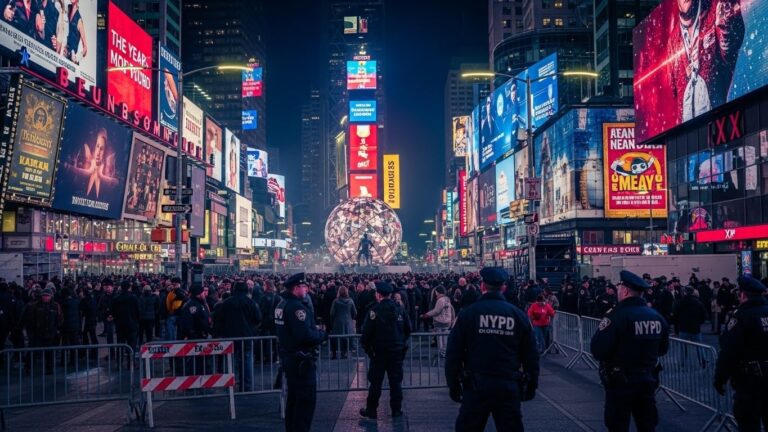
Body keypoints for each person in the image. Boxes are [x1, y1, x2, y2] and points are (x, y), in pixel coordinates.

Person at [445, 267, 540, 432]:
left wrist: (453, 384)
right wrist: (531, 385)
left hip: (476, 385)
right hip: (508, 384)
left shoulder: (469, 314)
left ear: (482, 286)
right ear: (503, 287)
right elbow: (531, 355)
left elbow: (453, 353)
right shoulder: (517, 315)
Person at [590, 270, 670, 432]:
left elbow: (598, 350)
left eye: (620, 287)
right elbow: (663, 348)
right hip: (647, 379)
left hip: (620, 381)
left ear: (625, 291)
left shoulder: (616, 316)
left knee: (618, 424)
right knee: (647, 424)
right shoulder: (656, 317)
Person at [713, 276, 768, 431]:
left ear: (743, 295)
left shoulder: (741, 317)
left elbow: (729, 350)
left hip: (750, 380)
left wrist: (720, 378)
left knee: (749, 423)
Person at [275, 273, 326, 432]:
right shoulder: (296, 308)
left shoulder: (281, 305)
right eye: (303, 286)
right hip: (301, 361)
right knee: (304, 404)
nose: (306, 289)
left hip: (289, 358)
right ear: (296, 288)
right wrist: (322, 335)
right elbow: (304, 335)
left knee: (293, 402)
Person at [359, 281, 411, 419]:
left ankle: (371, 410)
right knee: (396, 382)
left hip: (379, 353)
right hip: (396, 352)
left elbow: (366, 333)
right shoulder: (399, 309)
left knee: (375, 383)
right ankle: (396, 410)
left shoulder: (374, 311)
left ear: (378, 294)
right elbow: (408, 329)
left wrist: (368, 349)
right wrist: (400, 344)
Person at [213, 280, 261, 392]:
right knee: (247, 360)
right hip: (247, 336)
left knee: (230, 361)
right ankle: (247, 386)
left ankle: (229, 386)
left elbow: (220, 320)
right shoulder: (251, 302)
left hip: (230, 336)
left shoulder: (226, 303)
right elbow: (258, 318)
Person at [421, 286, 454, 358]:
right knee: (445, 338)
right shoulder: (447, 299)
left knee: (440, 339)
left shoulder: (440, 300)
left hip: (439, 321)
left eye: (436, 292)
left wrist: (426, 315)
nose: (435, 293)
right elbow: (451, 310)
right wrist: (452, 319)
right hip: (447, 321)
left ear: (438, 292)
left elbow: (436, 311)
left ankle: (441, 353)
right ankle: (445, 352)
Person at [329, 286, 356, 359]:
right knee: (346, 337)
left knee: (336, 337)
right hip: (348, 322)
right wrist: (350, 318)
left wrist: (332, 321)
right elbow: (355, 312)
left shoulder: (335, 301)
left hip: (337, 322)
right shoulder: (350, 301)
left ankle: (334, 354)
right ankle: (344, 353)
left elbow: (332, 313)